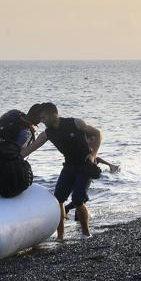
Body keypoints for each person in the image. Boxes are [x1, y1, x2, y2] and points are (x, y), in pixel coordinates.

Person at [22, 103, 102, 241]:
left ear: (54, 114)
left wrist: (93, 154)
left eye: (44, 117)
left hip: (85, 166)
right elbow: (31, 148)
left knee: (77, 200)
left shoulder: (75, 123)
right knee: (57, 200)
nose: (42, 121)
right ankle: (60, 236)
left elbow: (97, 133)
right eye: (40, 118)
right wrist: (14, 157)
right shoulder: (47, 133)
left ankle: (86, 233)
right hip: (69, 166)